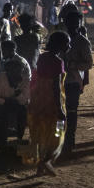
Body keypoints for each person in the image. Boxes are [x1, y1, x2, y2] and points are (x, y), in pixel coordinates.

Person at [27, 31, 70, 176]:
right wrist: (60, 109)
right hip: (53, 105)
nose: (69, 46)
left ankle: (41, 165)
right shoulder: (58, 62)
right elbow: (56, 87)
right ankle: (46, 160)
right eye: (67, 43)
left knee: (40, 134)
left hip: (38, 103)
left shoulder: (42, 57)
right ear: (60, 44)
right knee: (58, 133)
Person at [61, 7, 92, 155]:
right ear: (66, 22)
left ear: (79, 23)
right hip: (59, 81)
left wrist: (73, 65)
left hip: (73, 81)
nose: (74, 24)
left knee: (71, 113)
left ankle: (69, 142)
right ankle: (58, 139)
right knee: (59, 112)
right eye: (71, 21)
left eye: (76, 21)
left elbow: (89, 64)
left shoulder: (82, 42)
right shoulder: (60, 38)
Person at [0, 59, 29, 150]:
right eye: (14, 71)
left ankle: (19, 138)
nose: (17, 73)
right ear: (7, 71)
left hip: (14, 104)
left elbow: (24, 101)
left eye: (19, 71)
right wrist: (6, 102)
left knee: (23, 111)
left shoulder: (25, 80)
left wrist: (17, 90)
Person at [0, 3, 13, 68]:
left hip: (7, 50)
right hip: (3, 50)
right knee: (1, 68)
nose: (12, 12)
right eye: (11, 10)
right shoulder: (2, 21)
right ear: (6, 10)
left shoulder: (7, 21)